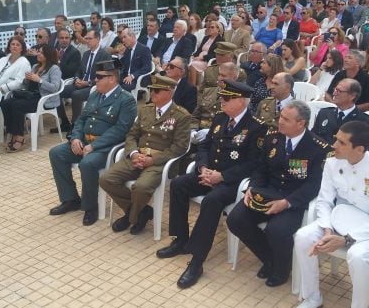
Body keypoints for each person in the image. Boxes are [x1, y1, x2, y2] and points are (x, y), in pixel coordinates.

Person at [155, 80, 267, 289]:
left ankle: (197, 261)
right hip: (209, 174)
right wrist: (203, 168)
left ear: (241, 101)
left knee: (211, 201)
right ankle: (181, 240)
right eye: (222, 97)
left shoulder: (256, 127)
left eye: (227, 98)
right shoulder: (220, 118)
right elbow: (205, 147)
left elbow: (254, 164)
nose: (221, 101)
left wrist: (222, 176)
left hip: (231, 183)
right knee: (178, 184)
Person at [227, 100, 330, 287]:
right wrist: (252, 188)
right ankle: (271, 259)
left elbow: (314, 185)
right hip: (267, 192)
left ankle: (281, 270)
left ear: (301, 124)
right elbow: (261, 169)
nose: (280, 121)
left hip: (293, 199)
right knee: (235, 219)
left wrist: (287, 202)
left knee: (276, 230)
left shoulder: (318, 147)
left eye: (286, 119)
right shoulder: (272, 137)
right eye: (281, 116)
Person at [294, 121, 369, 308]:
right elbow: (324, 201)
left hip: (368, 231)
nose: (334, 146)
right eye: (335, 140)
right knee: (303, 237)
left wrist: (346, 240)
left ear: (359, 149)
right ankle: (312, 297)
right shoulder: (332, 162)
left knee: (358, 257)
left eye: (341, 143)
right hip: (336, 222)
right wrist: (327, 230)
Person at [48, 59, 138, 226]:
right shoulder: (95, 94)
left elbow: (120, 130)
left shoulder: (126, 100)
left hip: (106, 148)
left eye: (99, 77)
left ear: (111, 79)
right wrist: (75, 138)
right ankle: (70, 199)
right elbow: (81, 119)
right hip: (84, 141)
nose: (95, 80)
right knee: (56, 153)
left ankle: (90, 207)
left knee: (87, 164)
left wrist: (93, 146)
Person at [100, 75, 192, 235]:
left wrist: (153, 160)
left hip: (160, 163)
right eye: (151, 90)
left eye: (157, 90)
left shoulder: (181, 115)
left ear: (169, 92)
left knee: (141, 187)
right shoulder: (145, 109)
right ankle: (142, 211)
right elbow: (131, 135)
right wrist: (134, 153)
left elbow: (180, 147)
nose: (152, 93)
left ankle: (131, 217)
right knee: (106, 179)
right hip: (137, 157)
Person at [1, 44, 62, 153]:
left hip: (43, 99)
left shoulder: (54, 68)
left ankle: (19, 137)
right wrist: (26, 79)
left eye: (41, 52)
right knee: (6, 103)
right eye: (38, 52)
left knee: (17, 105)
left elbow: (55, 88)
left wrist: (39, 80)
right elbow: (26, 86)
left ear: (48, 55)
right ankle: (13, 132)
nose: (38, 54)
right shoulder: (35, 67)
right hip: (30, 95)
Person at [55, 30, 111, 133]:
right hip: (81, 83)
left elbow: (104, 76)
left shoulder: (104, 55)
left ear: (98, 39)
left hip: (94, 86)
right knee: (58, 91)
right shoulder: (86, 54)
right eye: (86, 38)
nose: (87, 41)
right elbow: (79, 70)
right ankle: (64, 122)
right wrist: (77, 79)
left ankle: (75, 126)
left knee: (76, 95)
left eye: (90, 39)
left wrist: (88, 83)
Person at [313, 78, 369, 147]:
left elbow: (367, 150)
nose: (334, 93)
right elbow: (312, 138)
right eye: (335, 89)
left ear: (352, 96)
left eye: (339, 91)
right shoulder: (324, 113)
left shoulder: (366, 122)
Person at [118, 27, 152, 92]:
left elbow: (147, 68)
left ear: (132, 36)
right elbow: (121, 66)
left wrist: (132, 76)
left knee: (121, 90)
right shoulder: (127, 50)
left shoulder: (144, 49)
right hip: (126, 78)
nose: (123, 40)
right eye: (122, 38)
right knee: (111, 85)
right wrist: (121, 55)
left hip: (137, 79)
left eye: (125, 37)